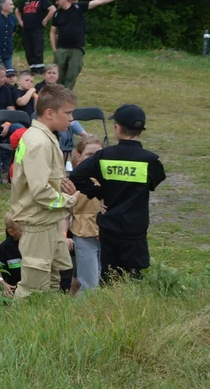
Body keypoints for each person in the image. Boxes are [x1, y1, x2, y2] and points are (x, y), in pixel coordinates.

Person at [69, 104, 165, 281]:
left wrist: (100, 192)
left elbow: (76, 176)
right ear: (140, 130)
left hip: (109, 227)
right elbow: (156, 180)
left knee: (110, 278)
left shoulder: (105, 156)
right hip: (135, 229)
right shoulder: (150, 160)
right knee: (133, 278)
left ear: (117, 128)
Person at [9, 84, 79, 298]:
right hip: (38, 223)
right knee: (33, 287)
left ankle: (51, 319)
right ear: (49, 113)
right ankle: (22, 326)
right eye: (67, 113)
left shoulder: (42, 137)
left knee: (60, 274)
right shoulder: (39, 142)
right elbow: (40, 192)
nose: (71, 119)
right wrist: (68, 200)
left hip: (49, 222)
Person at [50, 0, 132, 89]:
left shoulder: (78, 7)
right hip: (61, 48)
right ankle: (56, 95)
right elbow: (53, 31)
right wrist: (54, 49)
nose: (56, 2)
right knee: (57, 74)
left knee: (72, 73)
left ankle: (66, 96)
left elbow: (99, 1)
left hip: (77, 49)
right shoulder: (57, 14)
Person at [68, 135, 104, 293]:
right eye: (90, 155)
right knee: (89, 282)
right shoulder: (73, 180)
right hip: (83, 232)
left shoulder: (106, 178)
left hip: (106, 233)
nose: (94, 159)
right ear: (79, 155)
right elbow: (64, 212)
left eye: (99, 155)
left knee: (105, 280)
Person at [18, 0, 54, 73]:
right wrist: (20, 21)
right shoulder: (26, 1)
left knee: (37, 48)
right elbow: (17, 10)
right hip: (26, 29)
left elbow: (53, 9)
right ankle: (32, 68)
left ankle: (39, 68)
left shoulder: (42, 0)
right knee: (28, 48)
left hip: (37, 28)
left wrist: (45, 20)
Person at [0, 213, 24, 291]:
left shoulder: (31, 243)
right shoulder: (4, 248)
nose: (27, 233)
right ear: (11, 232)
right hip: (11, 290)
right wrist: (2, 283)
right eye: (22, 231)